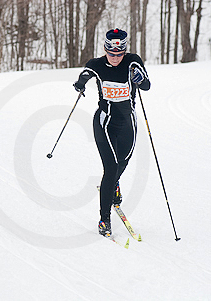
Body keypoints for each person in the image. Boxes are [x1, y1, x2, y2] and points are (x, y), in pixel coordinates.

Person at [73, 28, 151, 237]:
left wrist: (140, 79)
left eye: (119, 54)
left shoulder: (132, 61)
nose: (115, 58)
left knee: (122, 163)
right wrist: (79, 85)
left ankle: (113, 185)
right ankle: (104, 219)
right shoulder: (96, 65)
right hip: (104, 121)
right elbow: (84, 76)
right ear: (105, 50)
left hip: (127, 122)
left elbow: (147, 86)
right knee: (111, 167)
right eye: (111, 53)